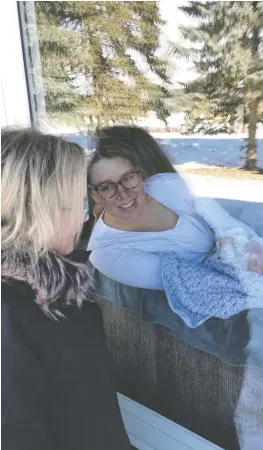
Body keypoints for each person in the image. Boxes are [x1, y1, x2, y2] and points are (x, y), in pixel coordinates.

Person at [1, 128, 131, 450]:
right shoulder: (20, 314)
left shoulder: (42, 296)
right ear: (40, 212)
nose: (86, 219)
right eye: (79, 205)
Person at [87, 125, 217, 290]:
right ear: (95, 195)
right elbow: (190, 281)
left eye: (128, 178)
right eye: (106, 187)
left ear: (139, 173)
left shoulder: (165, 186)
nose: (123, 193)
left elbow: (226, 224)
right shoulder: (106, 252)